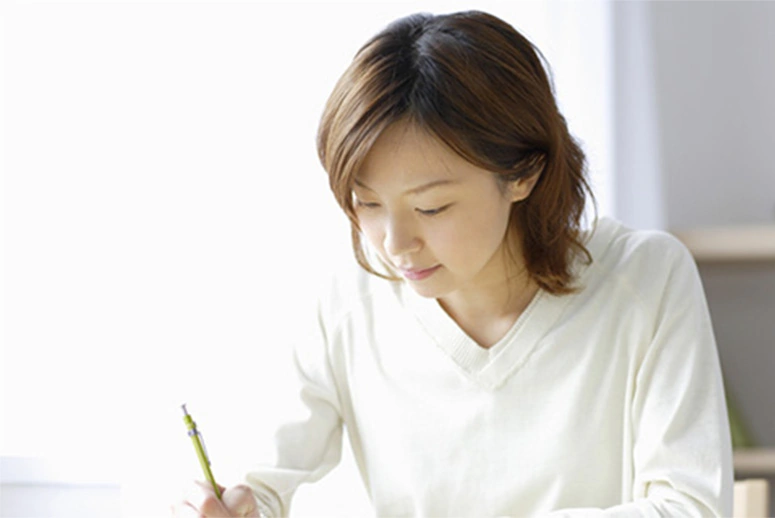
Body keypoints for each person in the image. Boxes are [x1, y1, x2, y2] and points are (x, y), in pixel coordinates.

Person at [172, 10, 732, 518]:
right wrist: (238, 508)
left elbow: (691, 507)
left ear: (523, 173)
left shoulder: (645, 278)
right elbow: (264, 484)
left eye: (431, 208)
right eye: (367, 204)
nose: (395, 244)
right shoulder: (348, 303)